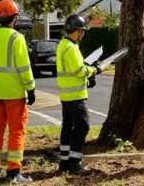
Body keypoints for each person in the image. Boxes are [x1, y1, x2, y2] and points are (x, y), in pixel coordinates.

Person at [0, 0, 35, 184]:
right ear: (14, 18)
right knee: (17, 131)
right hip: (14, 93)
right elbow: (24, 67)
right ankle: (14, 173)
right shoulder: (17, 38)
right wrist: (31, 88)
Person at [56, 14, 100, 176]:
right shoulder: (71, 48)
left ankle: (65, 161)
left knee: (67, 127)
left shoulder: (63, 44)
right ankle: (75, 163)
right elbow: (79, 70)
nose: (82, 34)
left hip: (66, 95)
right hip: (75, 96)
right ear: (75, 30)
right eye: (81, 31)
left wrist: (88, 78)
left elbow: (72, 71)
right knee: (82, 126)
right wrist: (95, 70)